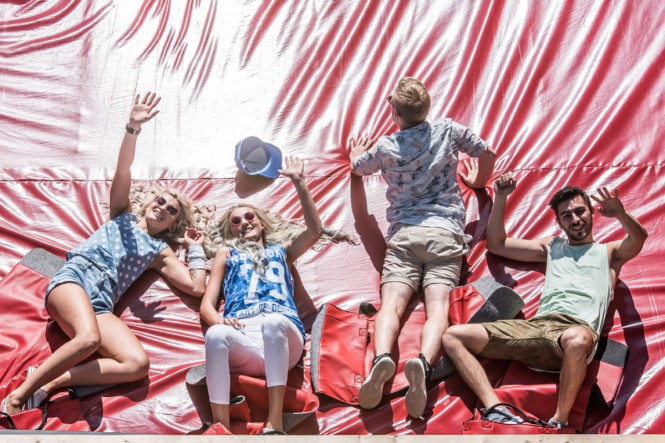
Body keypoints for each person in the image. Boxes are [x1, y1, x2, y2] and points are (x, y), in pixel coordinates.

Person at [1, 92, 208, 415]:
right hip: (76, 280)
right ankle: (15, 399)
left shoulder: (160, 252)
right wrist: (133, 128)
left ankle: (49, 383)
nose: (163, 207)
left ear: (173, 223)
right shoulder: (122, 215)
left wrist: (195, 249)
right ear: (149, 202)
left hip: (102, 303)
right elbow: (123, 170)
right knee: (88, 339)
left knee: (136, 364)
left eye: (171, 210)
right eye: (161, 201)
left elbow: (196, 287)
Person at [441, 172, 648, 428]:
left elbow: (638, 238)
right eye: (567, 215)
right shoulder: (552, 247)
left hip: (574, 333)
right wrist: (500, 197)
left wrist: (620, 214)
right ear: (559, 222)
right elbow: (496, 244)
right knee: (453, 336)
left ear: (592, 212)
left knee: (577, 339)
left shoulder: (608, 253)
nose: (575, 219)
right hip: (536, 329)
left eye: (580, 211)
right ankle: (495, 409)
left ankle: (559, 422)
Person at [349, 76, 496, 418]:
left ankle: (382, 358)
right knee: (438, 308)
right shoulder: (447, 130)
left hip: (405, 234)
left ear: (395, 113)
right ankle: (423, 363)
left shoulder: (386, 147)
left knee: (391, 306)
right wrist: (478, 181)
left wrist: (356, 156)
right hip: (445, 234)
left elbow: (357, 168)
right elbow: (487, 151)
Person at [200, 155, 354, 435]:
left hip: (282, 334)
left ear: (261, 222)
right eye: (236, 221)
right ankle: (221, 429)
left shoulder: (281, 251)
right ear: (230, 230)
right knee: (215, 335)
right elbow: (207, 306)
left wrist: (299, 182)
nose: (244, 222)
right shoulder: (226, 254)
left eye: (250, 216)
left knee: (273, 322)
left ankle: (275, 422)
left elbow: (314, 231)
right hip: (243, 334)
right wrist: (220, 322)